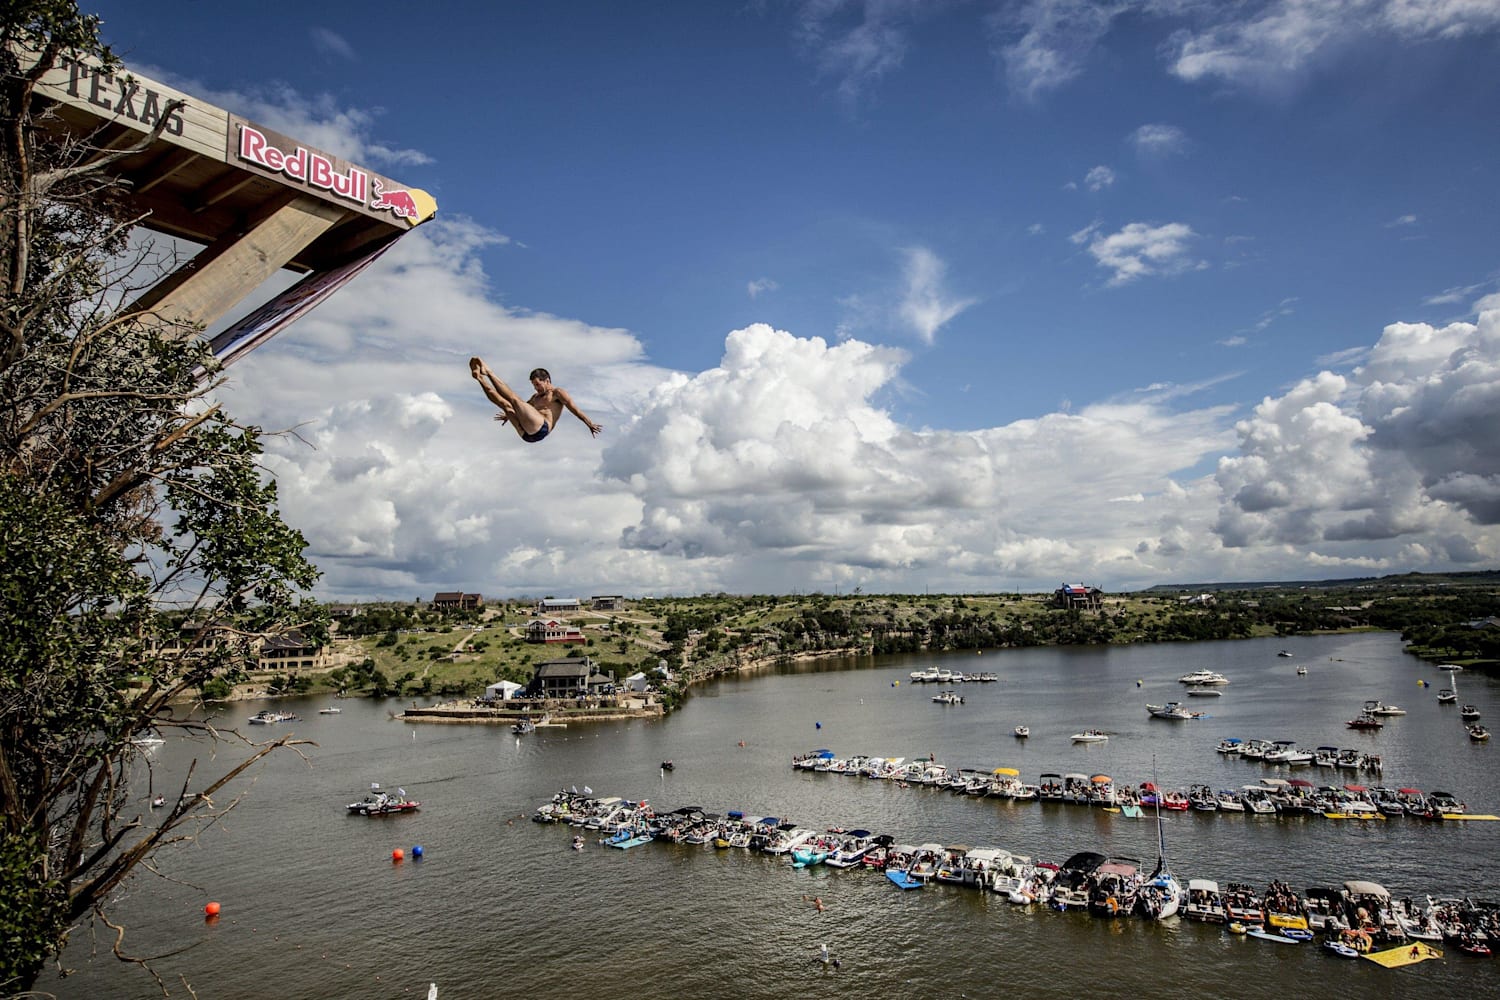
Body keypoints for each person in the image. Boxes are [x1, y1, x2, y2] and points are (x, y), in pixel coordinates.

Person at [470, 358, 601, 443]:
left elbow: (575, 409)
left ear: (547, 380)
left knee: (514, 400)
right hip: (526, 435)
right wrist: (508, 416)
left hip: (542, 428)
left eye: (538, 384)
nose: (536, 388)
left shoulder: (557, 393)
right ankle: (480, 379)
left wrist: (589, 423)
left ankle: (489, 373)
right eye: (534, 385)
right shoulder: (535, 398)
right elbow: (522, 410)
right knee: (506, 405)